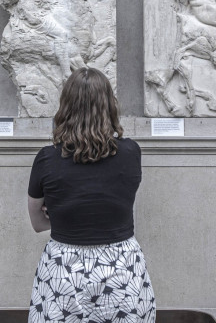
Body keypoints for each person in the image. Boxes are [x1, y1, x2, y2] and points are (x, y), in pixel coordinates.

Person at [27, 67, 156, 323]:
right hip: (120, 265)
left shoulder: (47, 159)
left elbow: (37, 223)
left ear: (65, 107)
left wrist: (62, 214)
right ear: (109, 105)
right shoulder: (131, 152)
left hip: (63, 267)